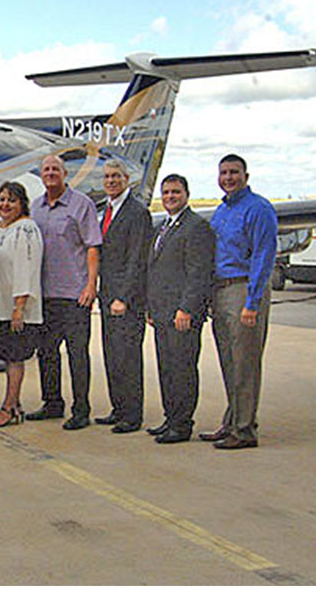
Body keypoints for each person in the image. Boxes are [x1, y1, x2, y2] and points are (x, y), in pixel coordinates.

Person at [204, 154, 278, 450]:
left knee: (245, 362)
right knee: (229, 361)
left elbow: (263, 256)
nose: (229, 177)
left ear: (246, 176)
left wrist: (253, 301)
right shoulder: (221, 210)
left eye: (234, 172)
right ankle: (232, 420)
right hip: (221, 291)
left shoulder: (259, 209)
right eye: (224, 173)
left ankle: (245, 430)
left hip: (243, 289)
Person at [27, 154, 102, 430]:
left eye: (55, 169)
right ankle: (52, 403)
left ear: (65, 173)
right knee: (47, 353)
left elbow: (92, 247)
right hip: (45, 294)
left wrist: (91, 285)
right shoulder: (36, 207)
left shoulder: (82, 205)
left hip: (74, 294)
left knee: (77, 354)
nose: (50, 173)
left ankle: (81, 409)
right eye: (46, 169)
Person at [146, 175, 216, 444]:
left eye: (175, 192)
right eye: (166, 193)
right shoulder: (164, 226)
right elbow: (157, 270)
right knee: (167, 368)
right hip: (162, 312)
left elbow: (199, 274)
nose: (170, 197)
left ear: (187, 194)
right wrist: (151, 307)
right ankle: (170, 418)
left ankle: (182, 424)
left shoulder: (196, 227)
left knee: (183, 368)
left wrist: (187, 308)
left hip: (182, 314)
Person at [95, 159, 152, 434]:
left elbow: (137, 261)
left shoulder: (137, 213)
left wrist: (124, 297)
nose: (111, 181)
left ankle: (131, 415)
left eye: (116, 176)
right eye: (107, 177)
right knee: (112, 355)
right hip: (106, 297)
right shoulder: (107, 210)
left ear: (127, 179)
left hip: (124, 300)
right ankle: (118, 408)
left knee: (128, 357)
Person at [0, 182, 43, 428]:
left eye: (11, 200)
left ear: (22, 204)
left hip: (18, 309)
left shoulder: (27, 229)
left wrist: (19, 306)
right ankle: (15, 405)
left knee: (14, 359)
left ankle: (8, 407)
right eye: (2, 199)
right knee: (7, 356)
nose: (5, 205)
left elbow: (27, 268)